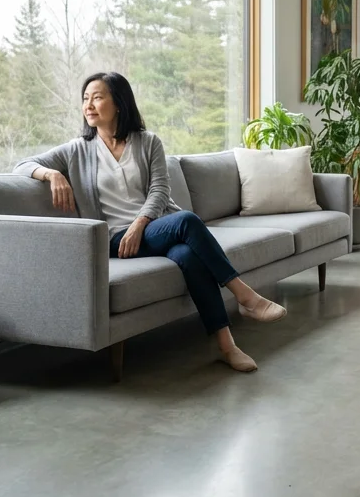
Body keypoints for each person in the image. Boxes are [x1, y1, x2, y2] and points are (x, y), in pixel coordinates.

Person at [15, 72, 286, 373]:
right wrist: (52, 175)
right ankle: (245, 295)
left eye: (97, 97)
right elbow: (22, 165)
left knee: (187, 256)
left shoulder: (148, 142)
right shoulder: (76, 149)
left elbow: (160, 190)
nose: (89, 105)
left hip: (148, 229)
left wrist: (139, 224)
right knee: (187, 221)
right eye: (85, 99)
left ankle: (227, 346)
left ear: (118, 102)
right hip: (115, 239)